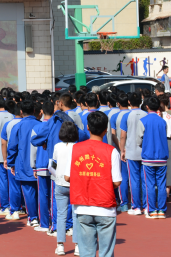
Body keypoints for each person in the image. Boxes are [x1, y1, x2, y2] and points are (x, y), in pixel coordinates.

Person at [69, 111, 121, 257]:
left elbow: (68, 176)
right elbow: (116, 181)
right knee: (106, 252)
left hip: (82, 205)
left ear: (87, 127)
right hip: (105, 206)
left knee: (86, 252)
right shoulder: (111, 151)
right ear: (106, 130)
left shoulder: (75, 149)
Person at [137, 97, 168, 219]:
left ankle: (152, 209)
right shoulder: (162, 121)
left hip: (148, 157)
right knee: (161, 184)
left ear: (147, 107)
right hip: (162, 156)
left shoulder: (143, 121)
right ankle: (161, 210)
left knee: (149, 184)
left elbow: (139, 139)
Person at [52, 121, 80, 255]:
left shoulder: (57, 146)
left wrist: (57, 175)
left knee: (61, 215)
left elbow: (54, 164)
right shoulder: (78, 147)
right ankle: (78, 245)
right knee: (76, 214)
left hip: (60, 183)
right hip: (75, 183)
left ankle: (60, 245)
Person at [118, 92, 146, 215]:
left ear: (129, 102)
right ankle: (146, 205)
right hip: (145, 151)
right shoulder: (146, 114)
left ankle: (136, 206)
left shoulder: (127, 116)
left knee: (133, 180)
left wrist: (122, 150)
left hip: (131, 151)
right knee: (145, 180)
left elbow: (122, 136)